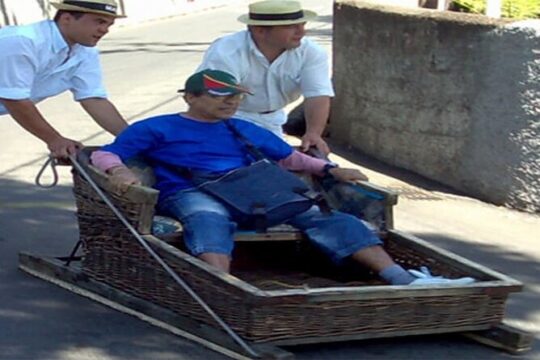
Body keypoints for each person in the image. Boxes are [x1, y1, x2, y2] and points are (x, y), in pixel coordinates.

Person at [90, 69, 475, 287]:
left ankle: (399, 277)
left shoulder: (242, 128)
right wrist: (120, 171)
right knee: (208, 217)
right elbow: (106, 152)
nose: (230, 102)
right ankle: (223, 288)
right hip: (193, 188)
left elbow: (290, 158)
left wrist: (330, 168)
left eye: (235, 96)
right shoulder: (157, 128)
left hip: (254, 188)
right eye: (220, 95)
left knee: (321, 215)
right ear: (190, 97)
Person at [197, 0, 333, 154]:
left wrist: (314, 134)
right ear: (260, 31)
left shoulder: (311, 52)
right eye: (291, 26)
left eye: (302, 24)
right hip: (227, 118)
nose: (302, 32)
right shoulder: (227, 51)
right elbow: (214, 99)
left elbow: (317, 94)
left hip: (273, 120)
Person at [0, 0, 128, 161]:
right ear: (66, 18)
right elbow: (14, 99)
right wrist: (54, 139)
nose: (105, 30)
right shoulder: (21, 41)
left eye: (109, 24)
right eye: (99, 21)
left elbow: (93, 99)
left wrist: (134, 139)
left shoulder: (85, 51)